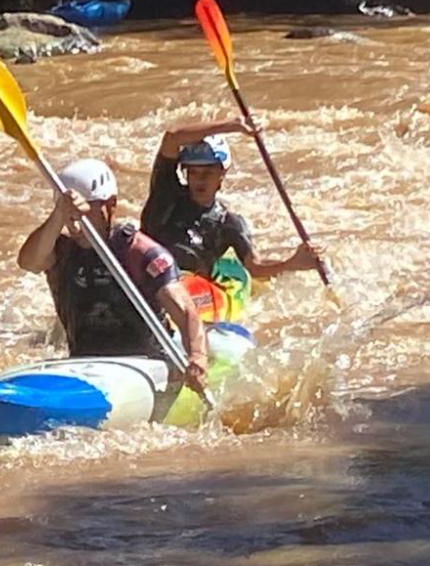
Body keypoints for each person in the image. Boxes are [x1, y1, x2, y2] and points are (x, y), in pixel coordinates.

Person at [17, 158, 208, 395]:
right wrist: (58, 215)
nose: (74, 222)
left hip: (145, 364)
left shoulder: (140, 253)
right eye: (68, 214)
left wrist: (197, 357)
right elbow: (28, 262)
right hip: (84, 363)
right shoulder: (60, 249)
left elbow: (186, 312)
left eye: (85, 210)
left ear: (111, 205)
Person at [140, 118, 322, 281]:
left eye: (208, 172)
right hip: (147, 277)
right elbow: (172, 138)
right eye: (193, 172)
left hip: (189, 290)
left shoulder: (228, 222)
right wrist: (231, 125)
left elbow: (255, 267)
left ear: (222, 174)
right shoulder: (166, 194)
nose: (200, 179)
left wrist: (292, 263)